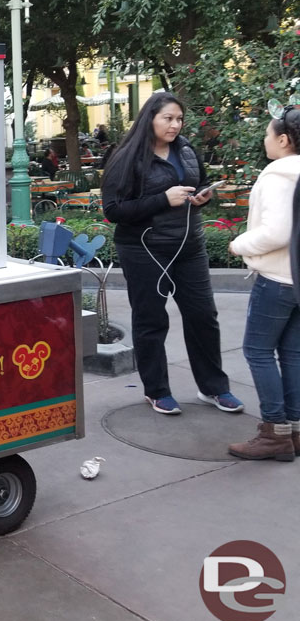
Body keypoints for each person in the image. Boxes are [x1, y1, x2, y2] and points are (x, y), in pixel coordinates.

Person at [101, 92, 244, 415]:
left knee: (203, 316)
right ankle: (157, 390)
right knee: (151, 320)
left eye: (179, 119)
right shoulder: (125, 157)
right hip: (144, 250)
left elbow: (200, 182)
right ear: (150, 118)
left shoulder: (187, 150)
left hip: (189, 247)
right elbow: (113, 210)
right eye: (168, 118)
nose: (175, 125)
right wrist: (163, 199)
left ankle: (214, 388)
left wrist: (203, 197)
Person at [227, 107, 300, 459]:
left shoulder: (278, 176)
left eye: (269, 134)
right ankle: (295, 430)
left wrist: (238, 244)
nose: (265, 140)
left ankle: (274, 433)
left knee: (258, 352)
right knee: (292, 354)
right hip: (297, 279)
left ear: (284, 140)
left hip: (276, 280)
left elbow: (276, 231)